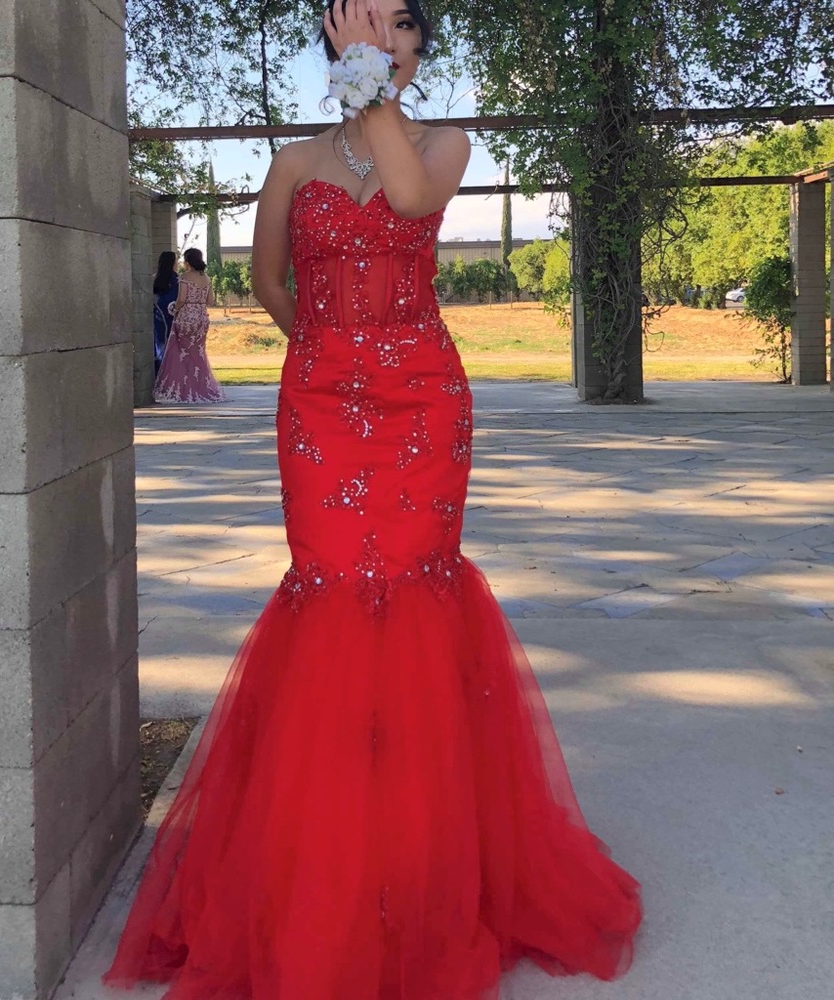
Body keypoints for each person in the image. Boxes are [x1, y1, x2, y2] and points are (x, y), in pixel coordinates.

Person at [106, 0, 641, 996]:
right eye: (364, 18)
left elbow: (401, 195)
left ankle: (422, 863)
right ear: (332, 35)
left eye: (400, 22)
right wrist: (325, 352)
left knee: (412, 597)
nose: (381, 33)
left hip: (422, 403)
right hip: (321, 407)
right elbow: (266, 278)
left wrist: (371, 89)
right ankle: (328, 862)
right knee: (333, 598)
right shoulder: (292, 165)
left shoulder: (440, 142)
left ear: (415, 47)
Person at [152, 247, 228, 404]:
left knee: (181, 353)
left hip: (187, 316)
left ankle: (182, 389)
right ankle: (201, 387)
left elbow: (181, 298)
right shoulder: (206, 278)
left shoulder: (185, 277)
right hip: (202, 317)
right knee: (198, 353)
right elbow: (210, 301)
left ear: (188, 261)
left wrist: (176, 308)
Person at [153, 250, 179, 374]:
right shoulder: (178, 280)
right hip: (173, 318)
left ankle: (160, 374)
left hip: (158, 317)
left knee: (160, 345)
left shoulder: (156, 279)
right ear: (172, 263)